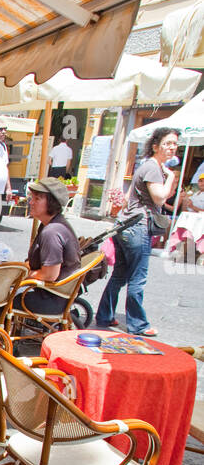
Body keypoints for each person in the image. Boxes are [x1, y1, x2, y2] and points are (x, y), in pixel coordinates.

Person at [95, 126, 179, 337]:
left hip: (127, 225)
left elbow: (127, 199)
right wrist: (171, 177)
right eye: (168, 143)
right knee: (137, 277)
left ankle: (105, 315)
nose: (172, 147)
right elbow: (160, 197)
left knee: (120, 275)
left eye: (175, 143)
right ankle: (138, 324)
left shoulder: (145, 166)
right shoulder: (153, 169)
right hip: (139, 227)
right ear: (155, 146)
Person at [13, 180, 81, 319]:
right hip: (52, 293)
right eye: (32, 197)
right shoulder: (51, 224)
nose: (31, 202)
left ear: (51, 203)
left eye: (37, 199)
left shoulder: (51, 232)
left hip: (50, 298)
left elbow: (50, 275)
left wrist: (24, 275)